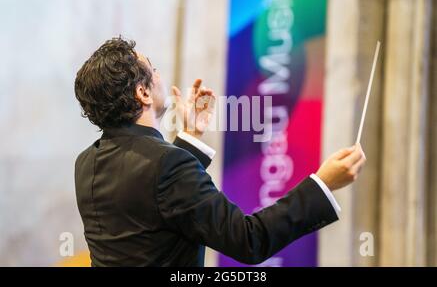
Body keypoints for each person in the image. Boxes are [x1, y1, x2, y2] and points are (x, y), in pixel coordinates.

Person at [74, 37, 366, 266]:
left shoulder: (86, 163)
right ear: (143, 92)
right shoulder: (167, 165)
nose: (159, 76)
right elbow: (248, 240)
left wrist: (190, 136)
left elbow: (151, 202)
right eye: (154, 69)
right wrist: (323, 184)